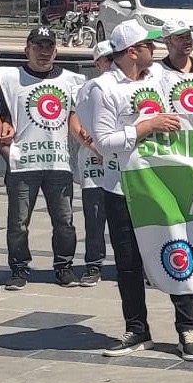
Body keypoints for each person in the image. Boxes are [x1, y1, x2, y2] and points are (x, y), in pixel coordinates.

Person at [85, 20, 193, 360]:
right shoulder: (103, 88)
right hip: (122, 186)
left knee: (178, 254)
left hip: (162, 183)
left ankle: (187, 328)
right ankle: (137, 329)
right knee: (129, 263)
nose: (155, 49)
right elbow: (104, 142)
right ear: (132, 51)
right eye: (149, 45)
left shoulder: (160, 79)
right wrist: (146, 127)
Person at [0, 27, 86, 290]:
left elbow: (74, 119)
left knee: (64, 221)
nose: (43, 52)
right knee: (18, 223)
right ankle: (19, 269)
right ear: (27, 49)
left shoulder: (70, 81)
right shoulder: (11, 79)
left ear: (56, 50)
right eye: (38, 46)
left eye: (48, 47)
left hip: (58, 163)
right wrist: (4, 149)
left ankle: (64, 267)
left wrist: (88, 141)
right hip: (23, 163)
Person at [74, 41, 115, 287]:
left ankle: (133, 263)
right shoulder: (87, 88)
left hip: (120, 161)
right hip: (94, 161)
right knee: (95, 216)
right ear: (98, 63)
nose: (111, 64)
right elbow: (75, 122)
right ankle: (93, 264)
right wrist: (95, 147)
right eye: (107, 60)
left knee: (127, 217)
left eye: (114, 58)